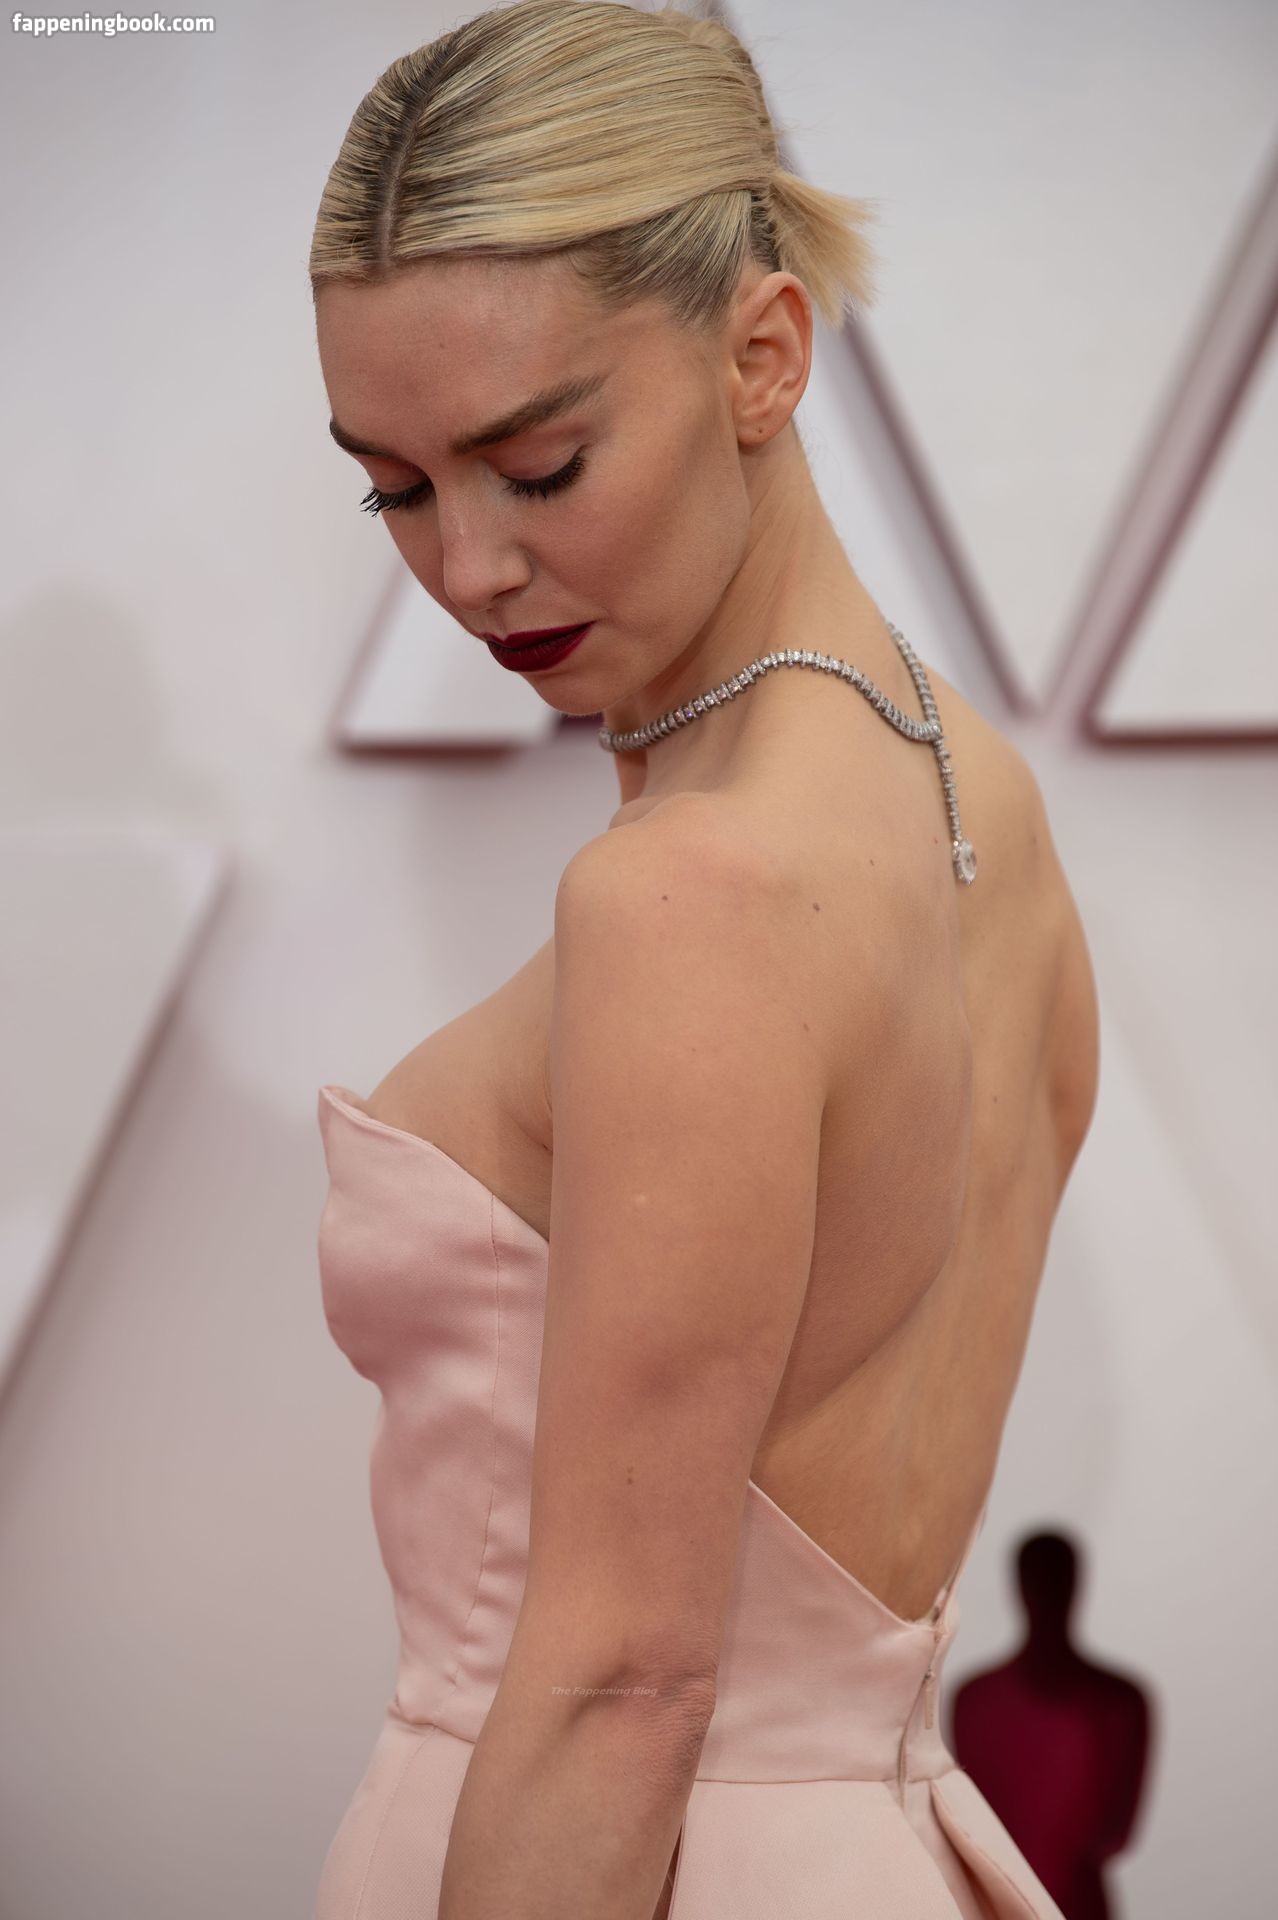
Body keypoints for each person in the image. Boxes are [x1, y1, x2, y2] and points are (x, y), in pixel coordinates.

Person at [309, 4, 1101, 1916]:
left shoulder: (688, 896)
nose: (468, 570)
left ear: (763, 355)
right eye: (395, 487)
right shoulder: (967, 787)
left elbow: (616, 1691)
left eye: (538, 465)